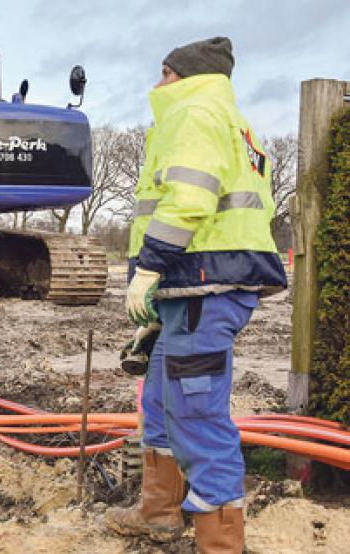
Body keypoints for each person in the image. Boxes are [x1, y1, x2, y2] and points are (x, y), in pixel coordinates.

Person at [106, 37, 287, 553]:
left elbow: (189, 199)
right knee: (163, 404)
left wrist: (149, 267)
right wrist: (161, 298)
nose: (156, 85)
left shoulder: (194, 113)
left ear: (181, 75)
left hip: (203, 285)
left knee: (197, 415)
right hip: (193, 289)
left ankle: (220, 544)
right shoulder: (233, 123)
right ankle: (160, 513)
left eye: (163, 74)